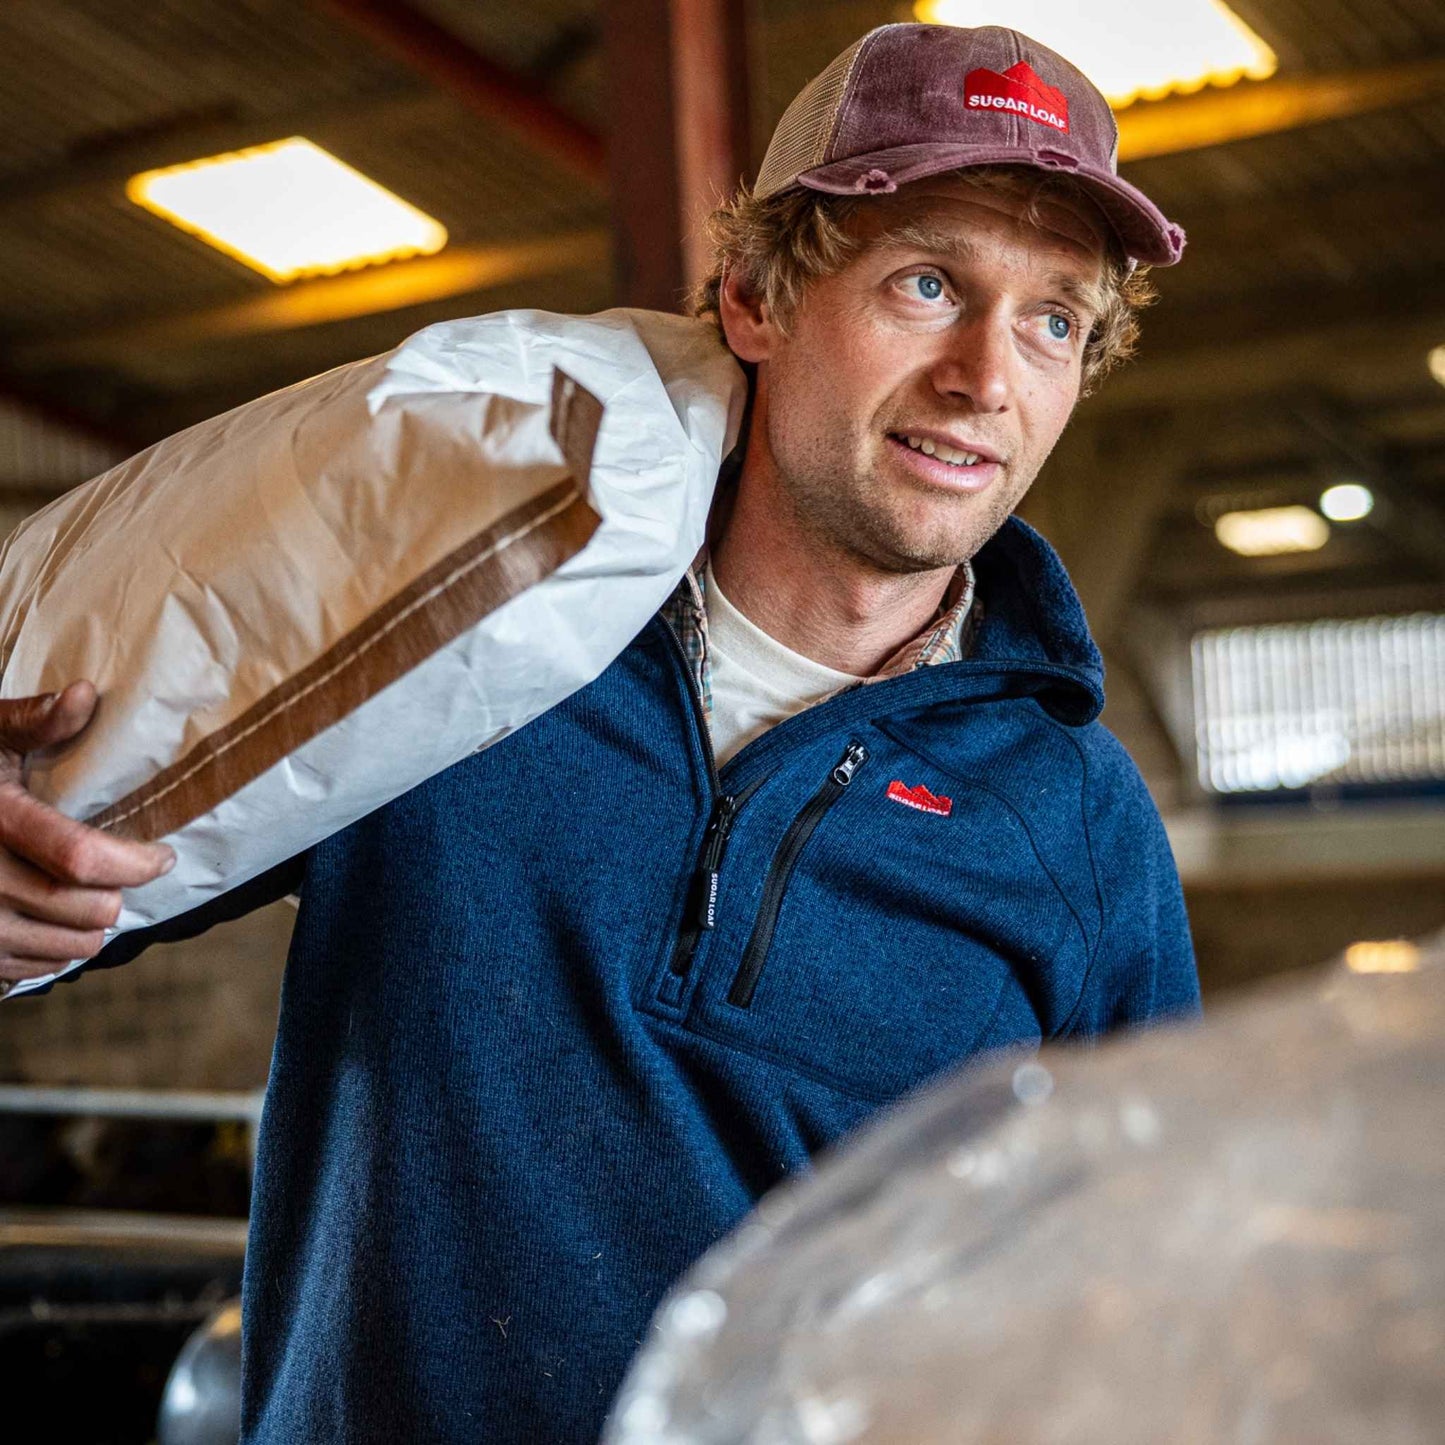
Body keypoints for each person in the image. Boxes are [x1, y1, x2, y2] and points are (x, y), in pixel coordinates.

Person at [0, 23, 1198, 1443]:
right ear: (754, 297)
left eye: (1053, 319)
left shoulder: (1076, 820)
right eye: (926, 283)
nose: (984, 376)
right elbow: (96, 860)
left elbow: (1147, 1288)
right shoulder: (470, 632)